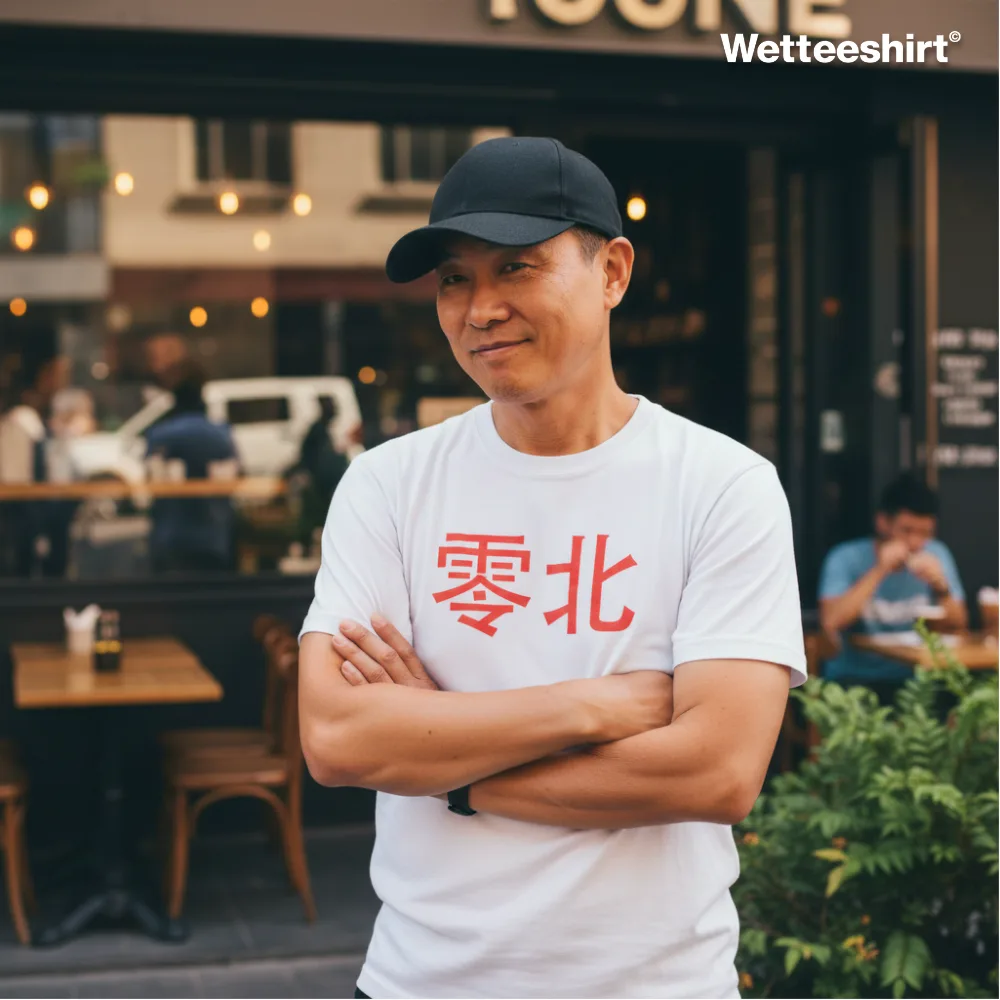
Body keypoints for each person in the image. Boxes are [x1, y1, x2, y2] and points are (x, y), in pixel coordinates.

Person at [298, 137, 806, 1000]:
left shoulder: (722, 485)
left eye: (516, 268)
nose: (479, 307)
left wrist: (445, 769)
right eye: (454, 278)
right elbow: (339, 738)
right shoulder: (388, 483)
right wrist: (600, 705)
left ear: (612, 272)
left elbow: (715, 771)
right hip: (422, 981)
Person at [818, 473, 967, 702]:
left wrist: (941, 587)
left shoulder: (937, 554)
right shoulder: (845, 558)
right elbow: (831, 621)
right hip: (855, 679)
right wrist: (879, 570)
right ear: (882, 522)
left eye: (925, 533)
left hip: (916, 679)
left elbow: (959, 624)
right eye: (907, 531)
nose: (916, 542)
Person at [144, 361, 238, 573]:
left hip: (171, 534)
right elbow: (238, 475)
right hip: (215, 534)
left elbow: (151, 479)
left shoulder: (161, 435)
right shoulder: (220, 434)